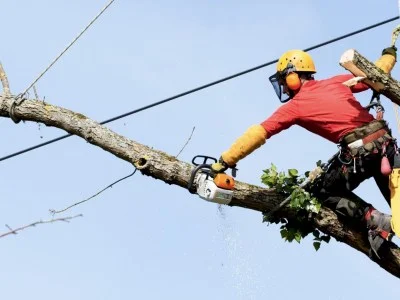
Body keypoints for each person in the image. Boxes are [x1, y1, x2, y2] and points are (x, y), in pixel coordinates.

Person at [211, 47, 398, 258]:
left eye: (284, 81)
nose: (284, 87)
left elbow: (259, 132)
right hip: (387, 146)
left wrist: (225, 160)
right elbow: (377, 72)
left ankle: (374, 220)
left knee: (324, 191)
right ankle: (382, 225)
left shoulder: (296, 106)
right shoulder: (337, 82)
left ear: (293, 76)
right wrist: (389, 55)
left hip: (361, 153)